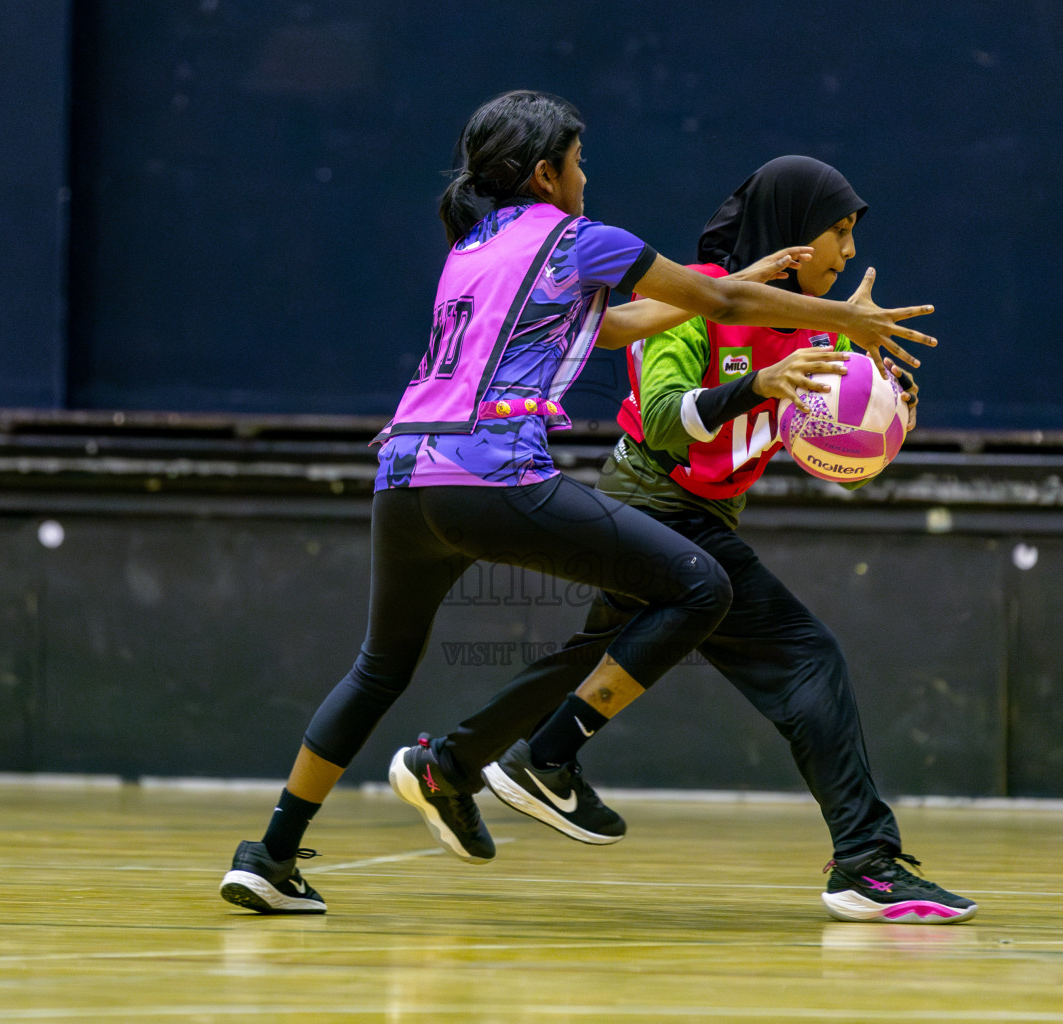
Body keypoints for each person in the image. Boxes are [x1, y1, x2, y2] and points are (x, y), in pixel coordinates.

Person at [218, 95, 937, 914]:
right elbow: (722, 314)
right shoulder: (581, 239)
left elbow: (609, 329)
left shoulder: (473, 247)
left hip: (403, 477)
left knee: (379, 669)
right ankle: (547, 758)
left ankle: (270, 853)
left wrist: (735, 286)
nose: (587, 175)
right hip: (492, 475)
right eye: (579, 160)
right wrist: (838, 318)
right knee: (700, 586)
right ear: (546, 174)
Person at [390, 155, 976, 924]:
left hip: (697, 515)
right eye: (837, 232)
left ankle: (449, 765)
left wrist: (875, 417)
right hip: (655, 502)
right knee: (804, 656)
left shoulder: (804, 327)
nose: (850, 252)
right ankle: (865, 862)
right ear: (794, 234)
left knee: (590, 658)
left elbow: (816, 443)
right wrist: (756, 387)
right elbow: (666, 417)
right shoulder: (694, 296)